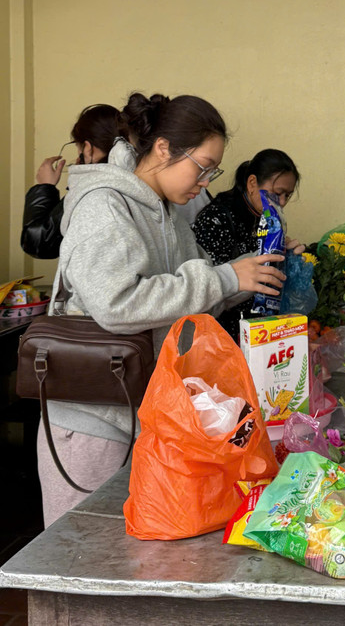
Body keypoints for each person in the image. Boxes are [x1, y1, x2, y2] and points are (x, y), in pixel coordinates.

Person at [39, 93, 285, 527]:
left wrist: (246, 279)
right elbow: (117, 304)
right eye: (202, 166)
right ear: (164, 148)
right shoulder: (104, 205)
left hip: (140, 411)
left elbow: (186, 293)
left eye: (214, 170)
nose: (206, 181)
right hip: (91, 419)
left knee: (125, 554)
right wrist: (226, 278)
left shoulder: (166, 213)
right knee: (81, 555)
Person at [192, 148, 302, 340]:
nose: (282, 202)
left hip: (261, 331)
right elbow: (209, 287)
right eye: (278, 193)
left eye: (288, 195)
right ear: (252, 183)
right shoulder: (216, 218)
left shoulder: (267, 220)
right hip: (222, 336)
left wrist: (286, 256)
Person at [21, 103, 121, 259]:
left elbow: (38, 242)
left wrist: (44, 187)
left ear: (88, 149)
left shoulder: (93, 190)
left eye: (78, 148)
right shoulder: (133, 180)